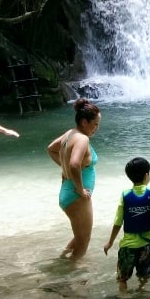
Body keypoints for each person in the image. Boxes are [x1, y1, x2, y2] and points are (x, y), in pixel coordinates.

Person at [47, 98, 101, 261]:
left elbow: (51, 149)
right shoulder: (82, 139)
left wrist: (64, 169)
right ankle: (70, 280)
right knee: (83, 244)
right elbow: (74, 164)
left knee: (79, 238)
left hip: (68, 193)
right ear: (84, 122)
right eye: (95, 124)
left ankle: (62, 261)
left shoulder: (71, 133)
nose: (96, 128)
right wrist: (80, 189)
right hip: (76, 196)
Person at [104, 157, 150, 293]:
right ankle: (142, 293)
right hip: (146, 247)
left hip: (127, 247)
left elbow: (118, 222)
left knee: (122, 278)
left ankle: (123, 296)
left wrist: (110, 242)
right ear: (147, 175)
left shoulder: (125, 195)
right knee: (144, 277)